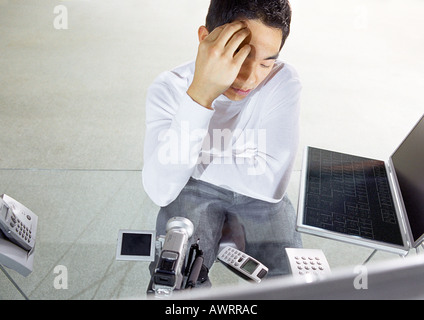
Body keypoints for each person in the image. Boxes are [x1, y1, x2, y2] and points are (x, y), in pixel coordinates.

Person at [142, 0, 302, 280]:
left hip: (249, 195)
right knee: (175, 277)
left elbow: (271, 184)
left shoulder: (282, 80)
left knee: (289, 281)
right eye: (240, 57)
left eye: (266, 63)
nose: (250, 78)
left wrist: (185, 161)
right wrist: (201, 95)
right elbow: (160, 189)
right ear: (206, 39)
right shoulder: (169, 88)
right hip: (195, 190)